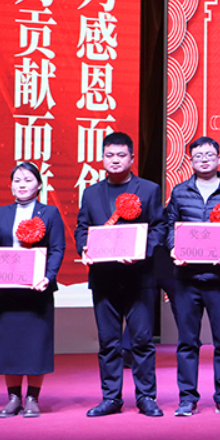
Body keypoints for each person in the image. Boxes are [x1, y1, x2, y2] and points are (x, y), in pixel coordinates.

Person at [77, 132, 168, 418]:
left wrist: (142, 251)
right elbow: (82, 227)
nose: (115, 160)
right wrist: (84, 247)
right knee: (108, 342)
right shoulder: (91, 193)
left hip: (140, 276)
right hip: (104, 277)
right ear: (102, 158)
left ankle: (146, 397)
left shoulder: (149, 189)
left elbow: (159, 228)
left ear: (131, 158)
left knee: (142, 341)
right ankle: (111, 398)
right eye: (109, 155)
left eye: (121, 155)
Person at [163, 136, 220, 417]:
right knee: (187, 343)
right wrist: (174, 248)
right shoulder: (180, 192)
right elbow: (169, 225)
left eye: (209, 155)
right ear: (191, 161)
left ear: (219, 159)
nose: (204, 159)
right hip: (186, 278)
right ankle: (187, 398)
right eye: (198, 156)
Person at [0, 162, 66, 418]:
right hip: (7, 291)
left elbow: (57, 249)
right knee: (9, 343)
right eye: (17, 180)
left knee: (35, 343)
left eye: (28, 180)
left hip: (37, 290)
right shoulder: (1, 213)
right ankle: (13, 398)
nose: (22, 185)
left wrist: (48, 277)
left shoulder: (49, 213)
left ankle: (32, 397)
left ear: (39, 185)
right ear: (11, 186)